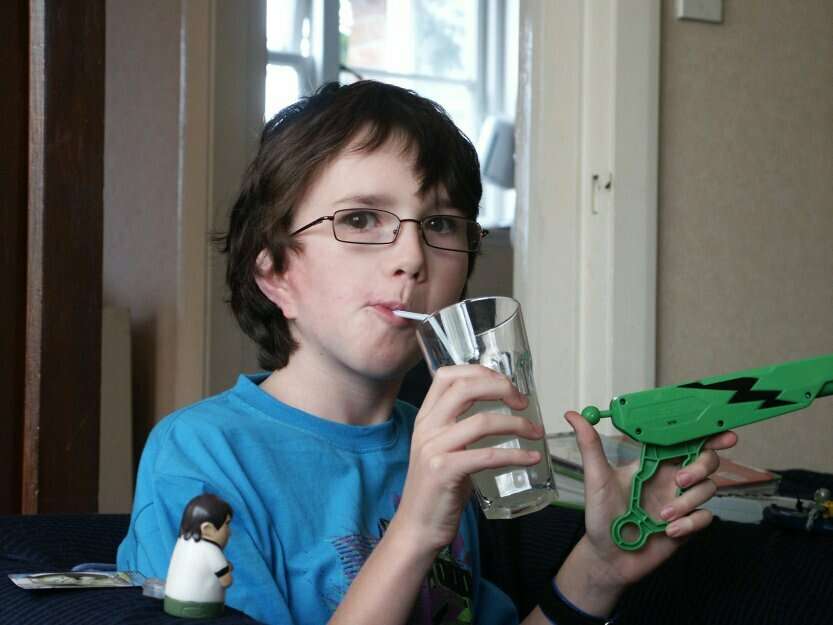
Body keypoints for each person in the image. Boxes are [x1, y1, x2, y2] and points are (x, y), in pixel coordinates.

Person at [117, 80, 737, 625]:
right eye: (360, 219)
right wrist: (414, 528)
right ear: (276, 273)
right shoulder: (201, 457)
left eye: (440, 224)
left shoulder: (444, 446)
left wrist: (600, 569)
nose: (412, 258)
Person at [163, 494, 234, 618]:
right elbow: (226, 581)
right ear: (207, 529)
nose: (230, 532)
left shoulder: (181, 543)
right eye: (227, 524)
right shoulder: (212, 551)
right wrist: (226, 570)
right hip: (203, 608)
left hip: (171, 602)